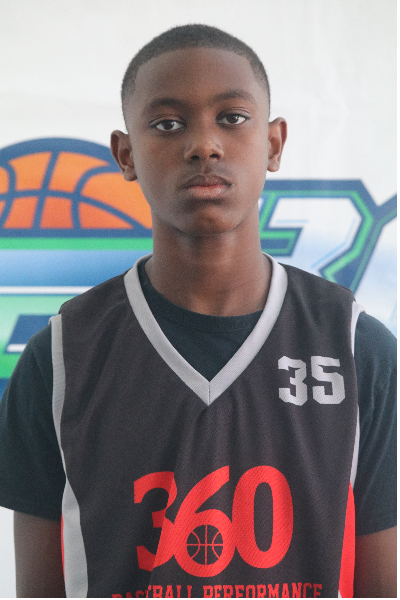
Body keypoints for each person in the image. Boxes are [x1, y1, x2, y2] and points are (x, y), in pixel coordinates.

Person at [0, 25, 396, 599]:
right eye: (168, 124)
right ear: (126, 154)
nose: (204, 145)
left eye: (232, 118)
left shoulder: (358, 349)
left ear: (274, 144)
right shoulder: (59, 359)